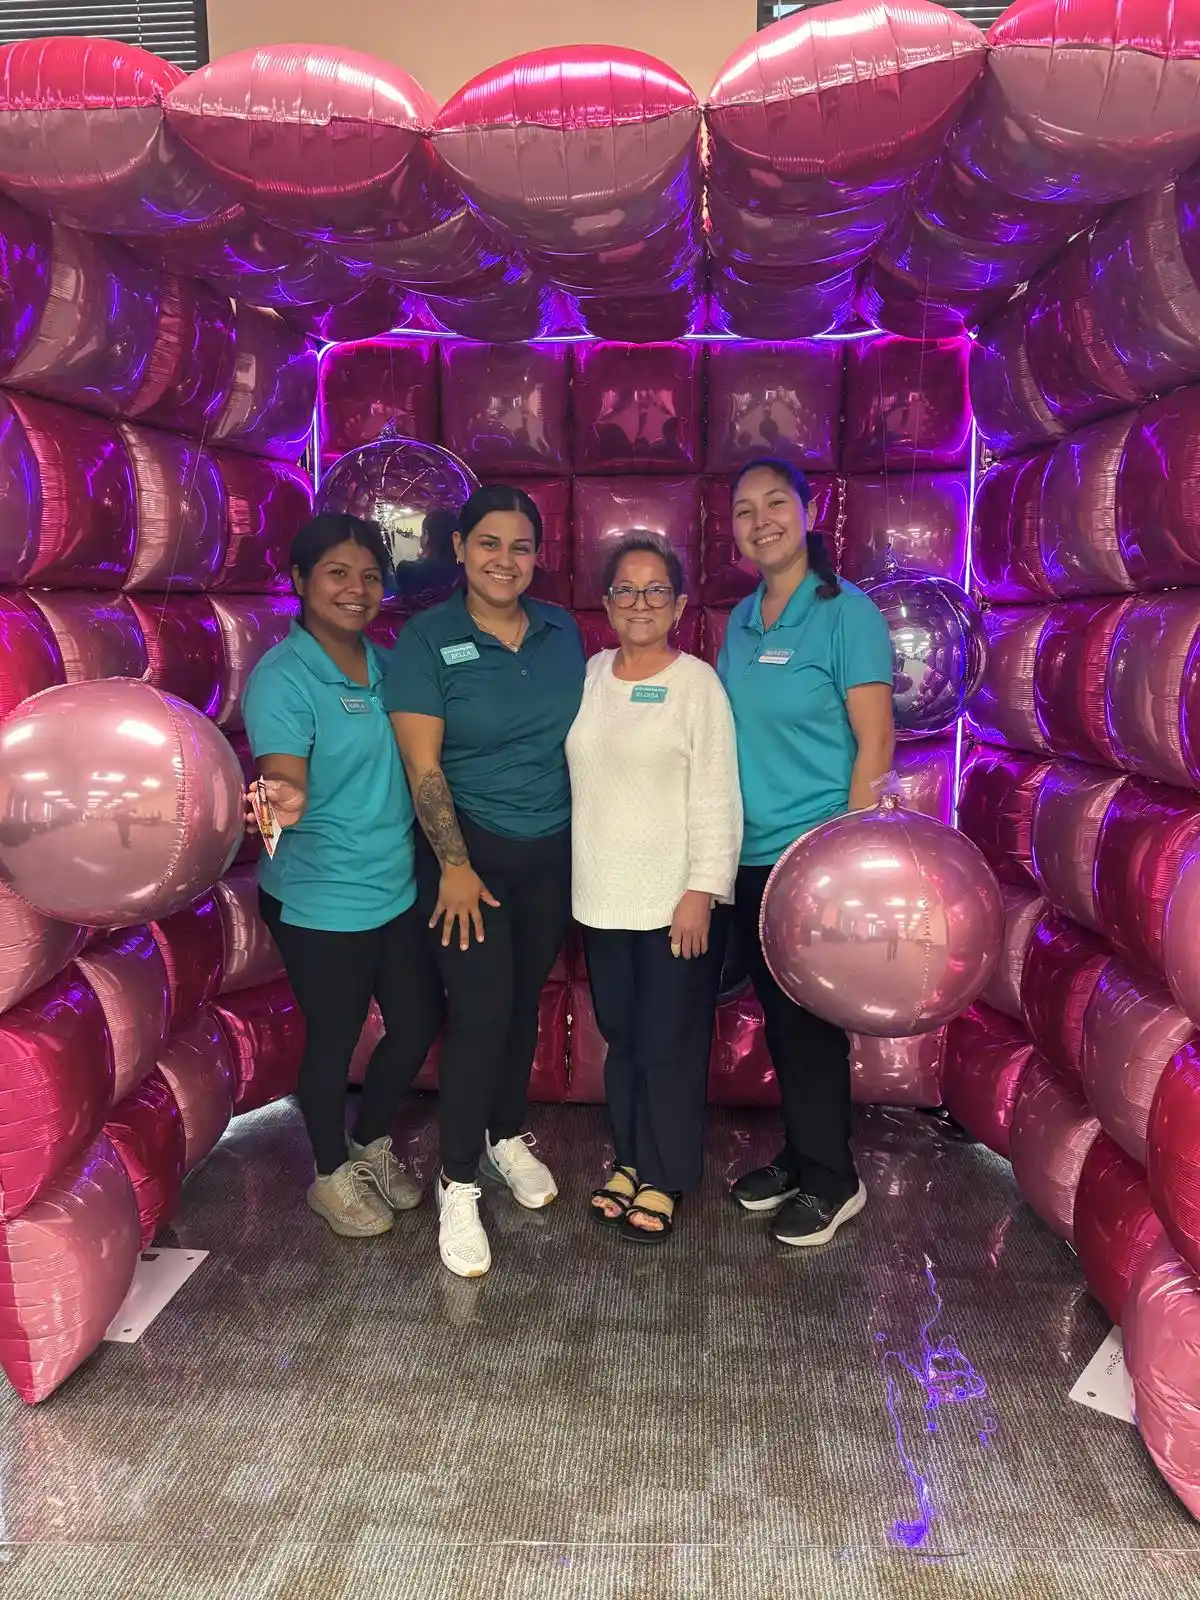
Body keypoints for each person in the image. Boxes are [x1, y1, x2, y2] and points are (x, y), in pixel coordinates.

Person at [386, 485, 586, 1278]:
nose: (507, 560)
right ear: (461, 549)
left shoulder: (561, 630)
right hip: (463, 861)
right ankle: (457, 1181)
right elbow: (421, 764)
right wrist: (456, 867)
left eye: (522, 547)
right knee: (478, 1014)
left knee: (522, 1006)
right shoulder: (428, 639)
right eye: (490, 544)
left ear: (537, 556)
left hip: (550, 855)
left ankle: (505, 1136)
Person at [242, 512, 442, 1239]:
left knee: (418, 1020)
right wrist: (281, 797)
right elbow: (282, 777)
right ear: (299, 581)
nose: (356, 590)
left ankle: (372, 1140)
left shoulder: (388, 663)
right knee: (333, 1036)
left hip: (394, 885)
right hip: (320, 894)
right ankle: (329, 1174)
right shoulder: (283, 677)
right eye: (336, 573)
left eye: (367, 575)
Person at [717, 459, 895, 1249]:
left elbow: (876, 738)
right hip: (751, 855)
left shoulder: (844, 613)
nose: (761, 520)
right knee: (782, 1021)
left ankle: (834, 1180)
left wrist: (847, 855)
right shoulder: (742, 619)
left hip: (815, 855)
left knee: (812, 1022)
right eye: (745, 509)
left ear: (809, 509)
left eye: (776, 503)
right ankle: (800, 1155)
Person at [566, 533, 741, 1243]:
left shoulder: (696, 683)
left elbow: (718, 795)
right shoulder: (589, 673)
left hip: (676, 904)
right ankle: (631, 1158)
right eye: (626, 590)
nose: (640, 603)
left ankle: (667, 1176)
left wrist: (702, 888)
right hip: (602, 896)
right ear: (606, 603)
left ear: (680, 604)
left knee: (671, 1042)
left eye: (656, 590)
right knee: (625, 1038)